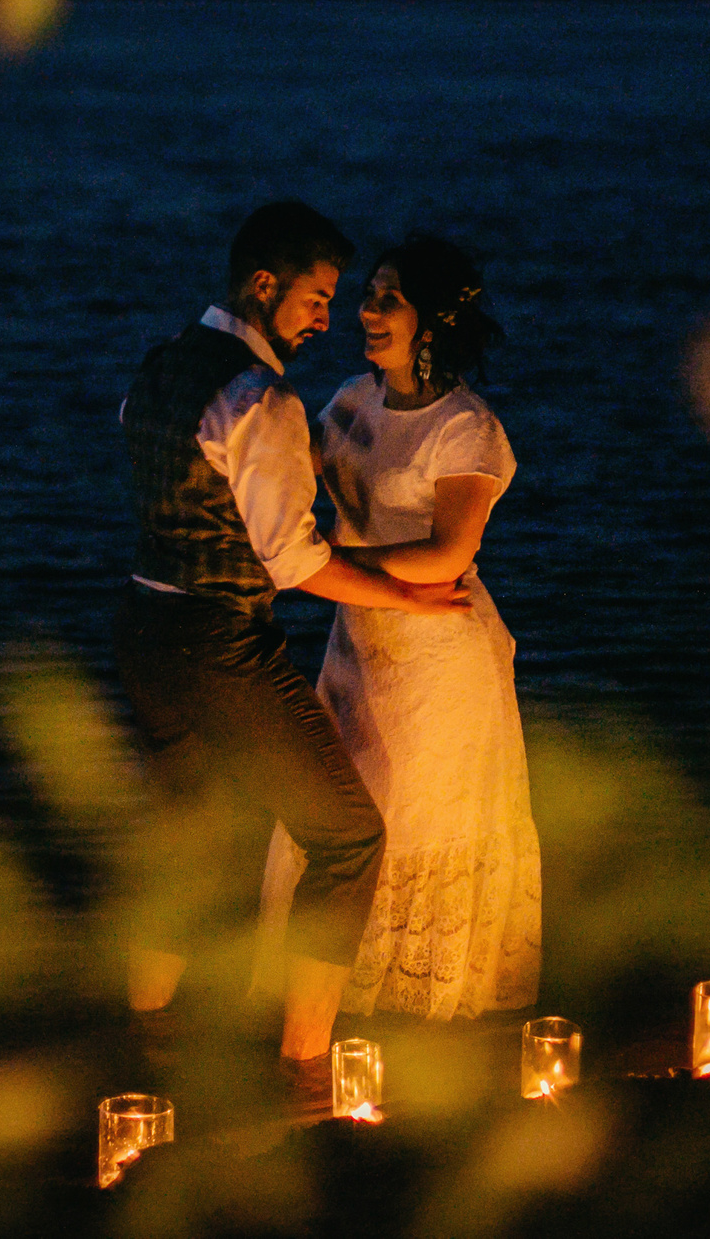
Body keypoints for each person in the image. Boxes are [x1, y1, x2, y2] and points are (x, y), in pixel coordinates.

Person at [113, 201, 469, 1096]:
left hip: (141, 629)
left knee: (186, 831)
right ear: (264, 285)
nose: (325, 316)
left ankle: (143, 1041)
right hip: (217, 642)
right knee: (347, 837)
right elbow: (295, 559)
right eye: (316, 296)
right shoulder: (259, 398)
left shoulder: (158, 369)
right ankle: (306, 1066)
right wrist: (406, 594)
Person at [256, 236, 541, 1021]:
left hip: (438, 662)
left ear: (433, 319)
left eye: (389, 297)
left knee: (412, 826)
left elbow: (450, 551)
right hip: (357, 648)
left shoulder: (466, 429)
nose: (367, 309)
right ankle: (322, 1010)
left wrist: (321, 554)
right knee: (337, 819)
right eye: (369, 294)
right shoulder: (352, 399)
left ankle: (415, 1019)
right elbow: (289, 464)